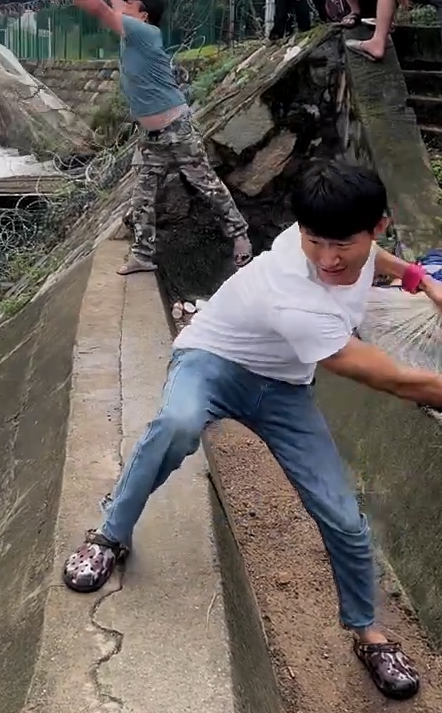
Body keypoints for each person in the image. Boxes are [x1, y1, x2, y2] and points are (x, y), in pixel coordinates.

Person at [61, 159, 442, 701]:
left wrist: (418, 278)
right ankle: (109, 535)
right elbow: (401, 381)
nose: (328, 260)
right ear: (300, 232)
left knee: (342, 515)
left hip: (283, 388)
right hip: (213, 360)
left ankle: (368, 632)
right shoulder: (298, 299)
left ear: (377, 226)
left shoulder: (338, 239)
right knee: (177, 423)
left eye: (342, 244)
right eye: (314, 242)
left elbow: (371, 260)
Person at [39, 0, 252, 273]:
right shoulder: (131, 36)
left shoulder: (145, 33)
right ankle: (142, 256)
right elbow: (110, 9)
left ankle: (241, 236)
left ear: (143, 16)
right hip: (151, 137)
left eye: (130, 6)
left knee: (206, 184)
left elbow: (101, 9)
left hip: (176, 129)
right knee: (142, 196)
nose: (123, 8)